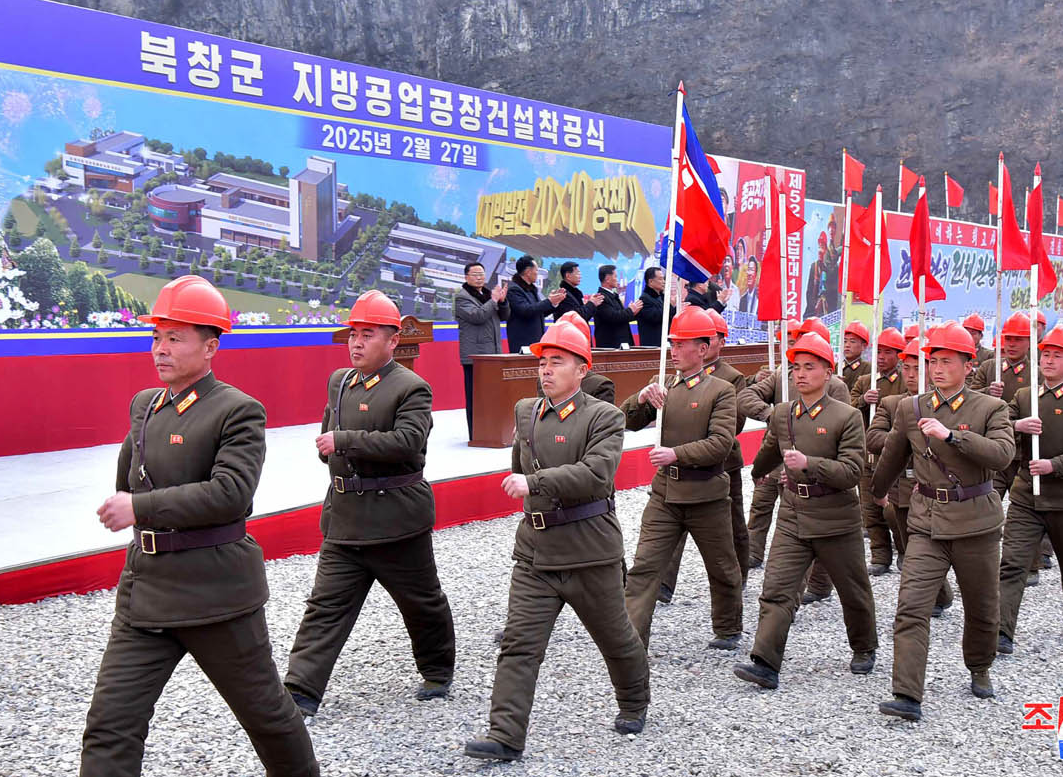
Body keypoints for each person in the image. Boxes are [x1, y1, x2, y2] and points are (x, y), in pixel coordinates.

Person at [80, 275, 318, 777]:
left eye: (175, 338)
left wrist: (141, 509)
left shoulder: (237, 410)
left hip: (216, 595)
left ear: (211, 347)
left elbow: (231, 494)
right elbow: (129, 479)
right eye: (157, 337)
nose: (160, 349)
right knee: (110, 724)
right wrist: (137, 509)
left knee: (267, 716)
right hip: (146, 592)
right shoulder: (145, 405)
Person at [463, 324, 649, 762]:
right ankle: (505, 734)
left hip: (590, 551)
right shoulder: (526, 410)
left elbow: (597, 475)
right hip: (535, 551)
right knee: (520, 644)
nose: (545, 370)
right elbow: (520, 464)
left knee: (616, 638)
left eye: (557, 361)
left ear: (582, 369)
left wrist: (534, 483)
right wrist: (530, 491)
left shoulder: (605, 417)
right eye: (542, 361)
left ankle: (634, 702)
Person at [284, 290, 456, 716]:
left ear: (393, 341)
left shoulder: (411, 387)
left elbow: (408, 442)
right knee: (325, 606)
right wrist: (329, 449)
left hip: (396, 516)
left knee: (421, 602)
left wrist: (343, 441)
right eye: (353, 334)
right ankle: (300, 690)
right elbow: (330, 430)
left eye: (368, 334)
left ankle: (437, 671)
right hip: (344, 517)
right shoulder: (340, 381)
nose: (356, 343)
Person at [874, 322, 1015, 721]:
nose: (937, 369)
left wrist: (952, 436)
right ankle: (906, 693)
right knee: (911, 606)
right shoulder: (911, 407)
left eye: (947, 361)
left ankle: (979, 665)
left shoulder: (991, 408)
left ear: (969, 365)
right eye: (932, 361)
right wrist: (877, 492)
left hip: (976, 524)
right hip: (927, 523)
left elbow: (1002, 454)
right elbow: (893, 455)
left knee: (983, 607)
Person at [733, 333, 875, 689]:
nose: (800, 374)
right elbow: (769, 451)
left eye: (810, 367)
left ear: (829, 372)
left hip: (836, 517)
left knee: (853, 590)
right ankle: (765, 660)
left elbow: (853, 472)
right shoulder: (783, 413)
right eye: (796, 367)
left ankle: (864, 646)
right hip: (793, 513)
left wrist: (810, 463)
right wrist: (759, 474)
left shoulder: (846, 417)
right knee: (777, 588)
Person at [621, 306, 744, 651]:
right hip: (665, 495)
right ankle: (632, 641)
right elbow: (623, 420)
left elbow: (722, 444)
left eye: (682, 344)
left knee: (721, 566)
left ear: (703, 349)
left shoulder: (720, 391)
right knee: (645, 567)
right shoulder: (661, 384)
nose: (674, 351)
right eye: (672, 343)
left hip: (706, 494)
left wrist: (677, 454)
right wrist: (642, 398)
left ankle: (727, 626)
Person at [996, 327, 1063, 655]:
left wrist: (1054, 465)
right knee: (1012, 562)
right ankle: (1001, 630)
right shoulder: (1025, 397)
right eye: (1045, 354)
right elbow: (999, 424)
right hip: (1026, 495)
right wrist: (1017, 426)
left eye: (1058, 355)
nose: (1049, 360)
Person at [738, 319, 849, 575]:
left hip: (813, 465)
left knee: (817, 524)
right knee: (761, 506)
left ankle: (819, 581)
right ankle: (753, 553)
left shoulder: (836, 387)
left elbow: (843, 428)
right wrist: (772, 415)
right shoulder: (782, 377)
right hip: (776, 457)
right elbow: (745, 398)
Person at [659, 309, 750, 604]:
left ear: (717, 342)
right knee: (672, 528)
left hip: (720, 465)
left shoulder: (731, 379)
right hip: (677, 467)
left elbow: (733, 426)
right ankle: (663, 584)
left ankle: (739, 577)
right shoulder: (672, 378)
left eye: (712, 338)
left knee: (731, 528)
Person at [868, 339, 953, 618]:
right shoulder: (893, 403)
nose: (912, 374)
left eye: (919, 368)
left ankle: (930, 595)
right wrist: (904, 439)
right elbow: (873, 438)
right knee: (910, 545)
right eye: (907, 368)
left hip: (941, 486)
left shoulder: (947, 405)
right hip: (904, 488)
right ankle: (939, 594)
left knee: (937, 546)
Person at [852, 326, 909, 576]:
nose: (882, 357)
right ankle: (880, 554)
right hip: (868, 454)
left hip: (893, 457)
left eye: (888, 352)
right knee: (870, 511)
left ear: (899, 355)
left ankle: (904, 549)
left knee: (893, 510)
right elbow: (849, 408)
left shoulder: (904, 383)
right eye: (880, 352)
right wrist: (864, 400)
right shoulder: (866, 381)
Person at [971, 311, 1033, 497]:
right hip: (991, 447)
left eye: (1018, 339)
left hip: (1023, 452)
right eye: (1009, 338)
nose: (1012, 344)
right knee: (987, 501)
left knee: (1021, 505)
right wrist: (987, 392)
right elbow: (970, 401)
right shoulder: (989, 367)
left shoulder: (1036, 373)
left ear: (1029, 341)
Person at [456, 262, 510, 435]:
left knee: (492, 395)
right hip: (475, 355)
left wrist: (502, 302)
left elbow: (505, 316)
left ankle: (492, 430)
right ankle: (476, 433)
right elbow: (477, 316)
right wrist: (493, 300)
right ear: (466, 277)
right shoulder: (462, 297)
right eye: (475, 274)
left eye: (482, 274)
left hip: (493, 353)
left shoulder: (487, 294)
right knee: (475, 396)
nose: (480, 277)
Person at [536, 312, 616, 403]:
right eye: (542, 364)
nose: (546, 371)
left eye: (556, 363)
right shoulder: (544, 381)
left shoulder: (599, 385)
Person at [507, 255, 565, 352]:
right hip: (522, 343)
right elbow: (526, 311)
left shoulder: (531, 290)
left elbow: (539, 312)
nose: (537, 273)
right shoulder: (514, 289)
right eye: (536, 270)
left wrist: (554, 303)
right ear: (528, 272)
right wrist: (549, 301)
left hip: (536, 342)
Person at [593, 264, 642, 348]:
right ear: (607, 279)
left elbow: (621, 316)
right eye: (615, 276)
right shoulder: (601, 297)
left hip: (621, 343)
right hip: (611, 345)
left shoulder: (613, 296)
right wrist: (630, 310)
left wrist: (633, 312)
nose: (617, 279)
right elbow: (613, 316)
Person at [638, 266, 673, 347]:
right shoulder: (644, 299)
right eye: (660, 279)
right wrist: (672, 306)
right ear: (650, 281)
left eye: (663, 279)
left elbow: (671, 315)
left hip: (666, 341)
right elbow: (657, 316)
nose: (663, 282)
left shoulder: (662, 296)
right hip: (653, 344)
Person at [841, 321, 873, 391]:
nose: (847, 345)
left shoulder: (869, 369)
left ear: (863, 346)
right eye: (845, 341)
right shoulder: (835, 367)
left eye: (852, 341)